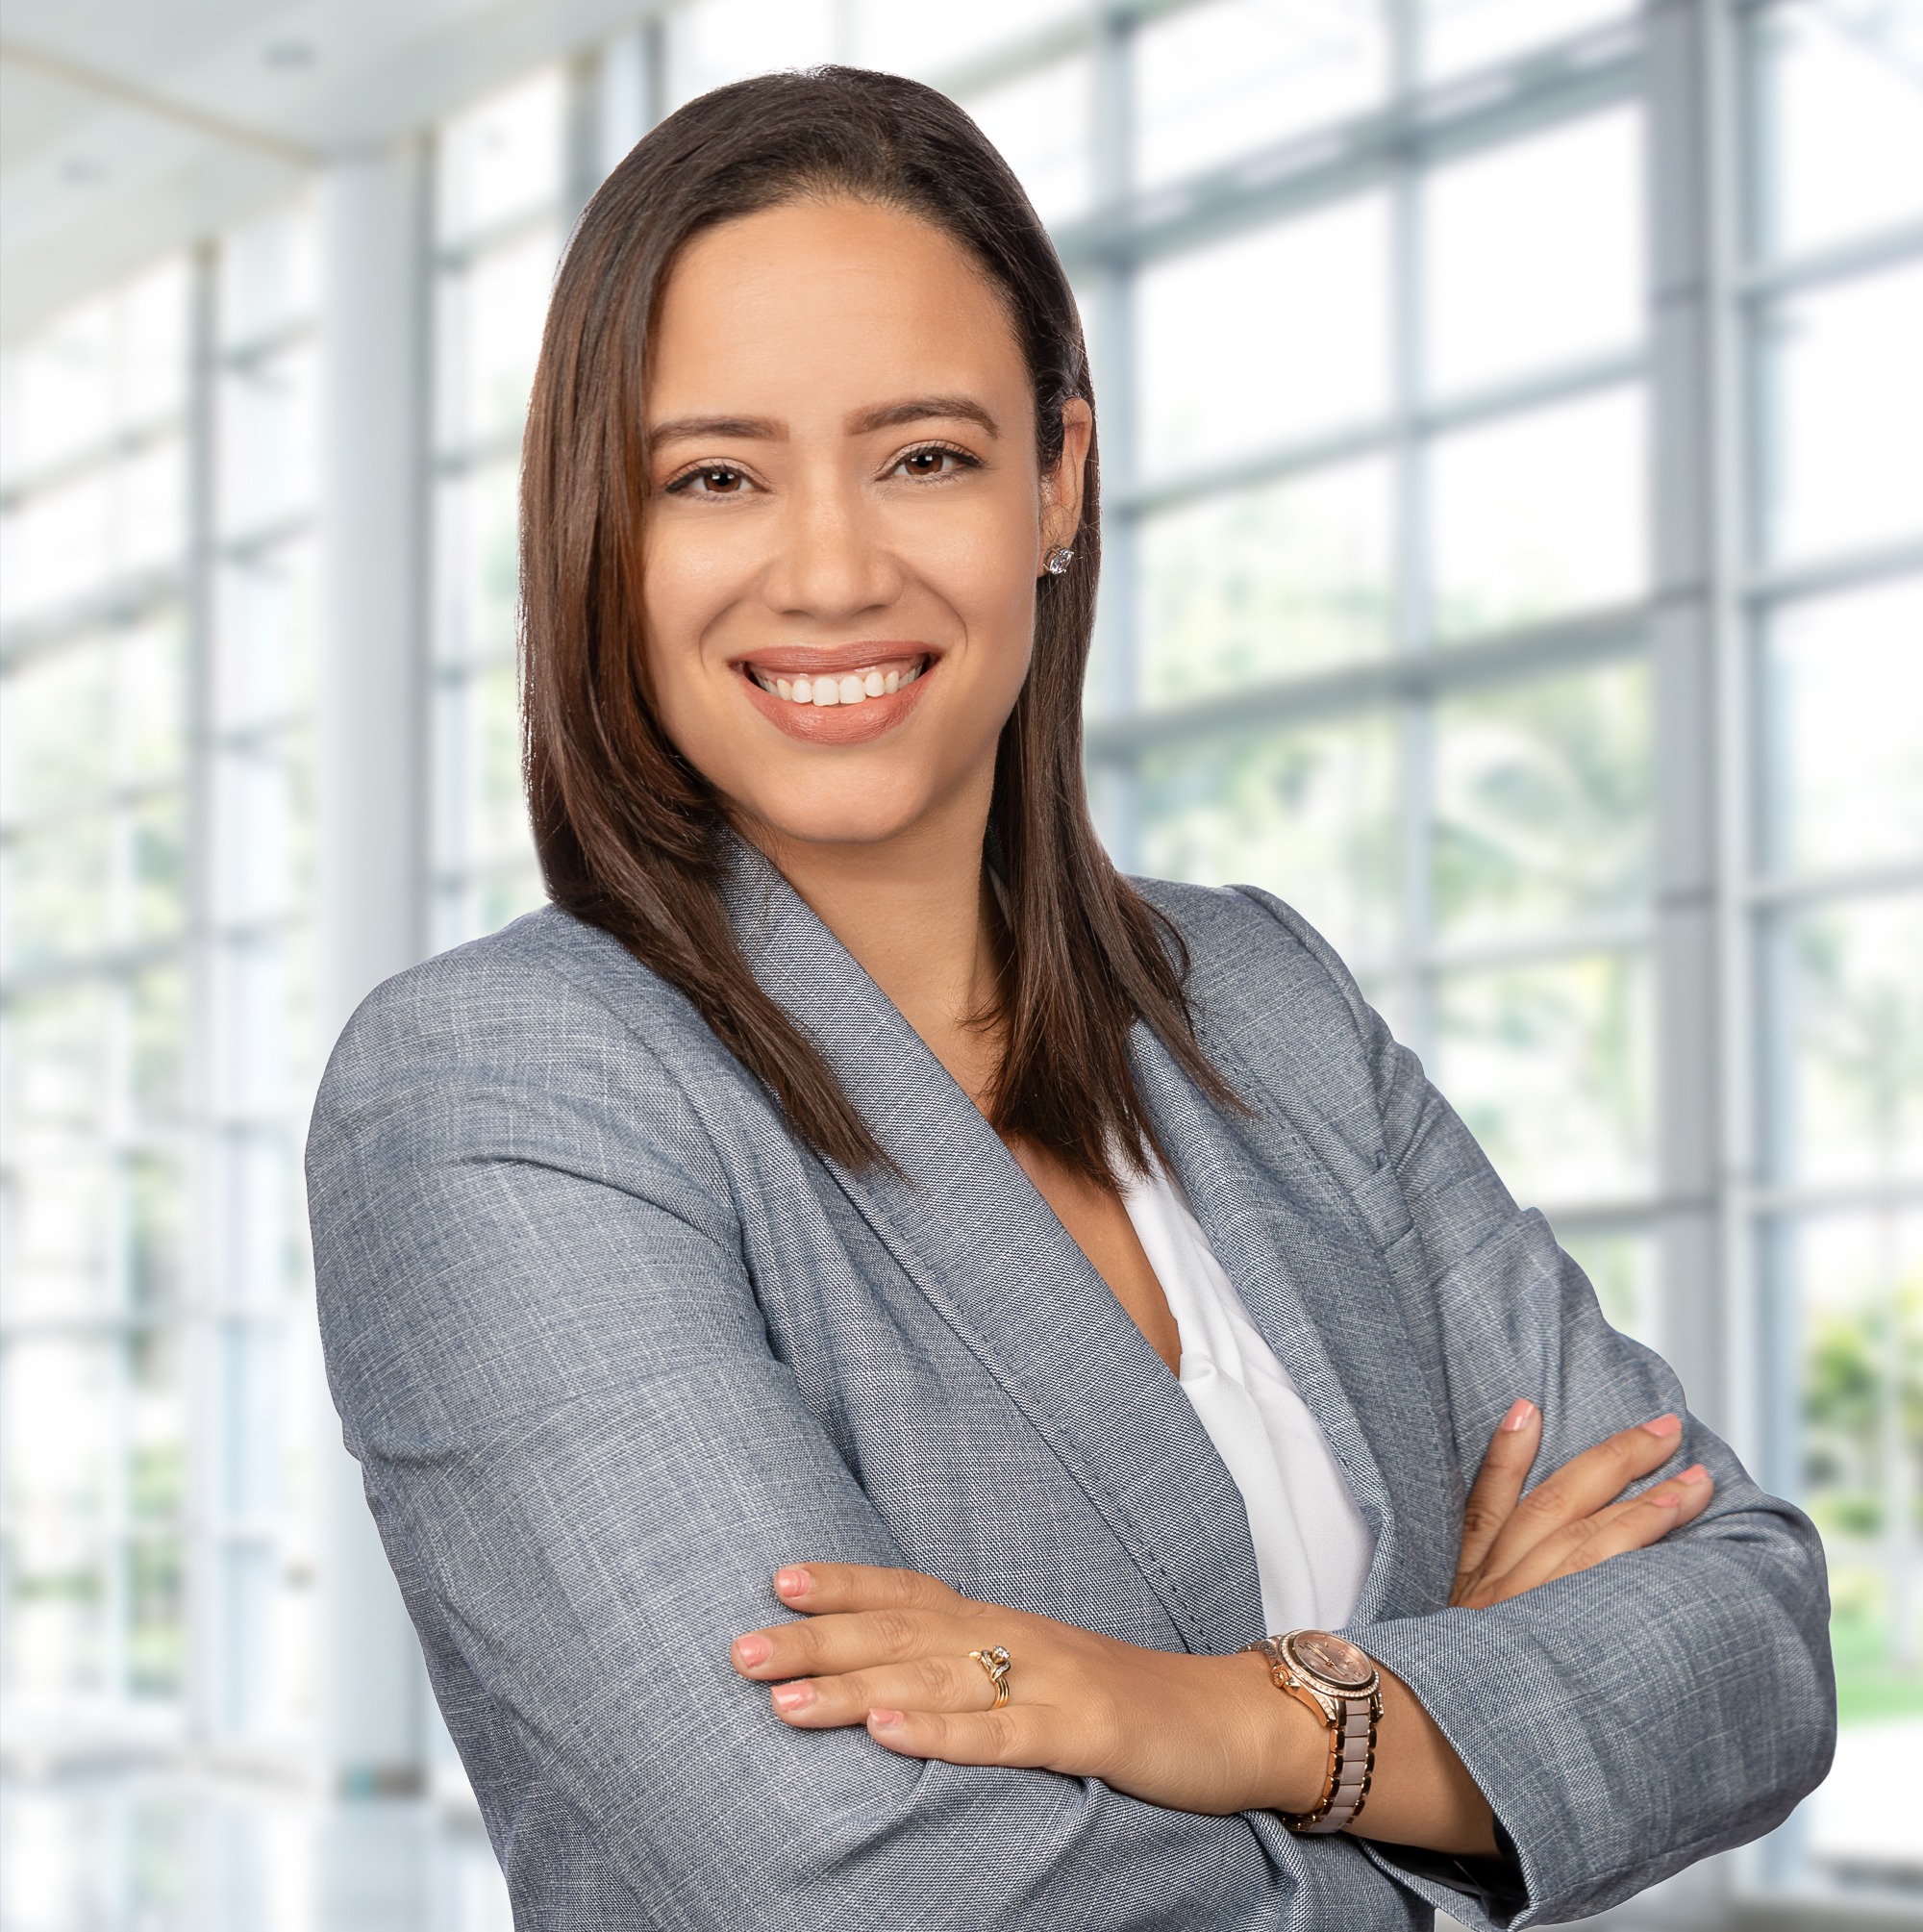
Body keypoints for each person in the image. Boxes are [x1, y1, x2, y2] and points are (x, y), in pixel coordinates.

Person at [307, 65, 1834, 1932]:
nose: (835, 566)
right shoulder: (503, 1095)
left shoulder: (1259, 998)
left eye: (926, 455)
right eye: (714, 476)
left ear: (1060, 481)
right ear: (603, 539)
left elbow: (1747, 1632)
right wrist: (1452, 1776)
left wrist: (1219, 1721)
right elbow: (868, 1883)